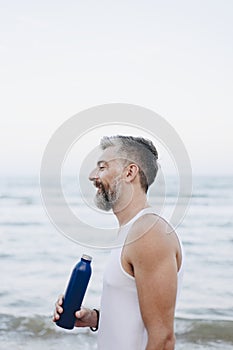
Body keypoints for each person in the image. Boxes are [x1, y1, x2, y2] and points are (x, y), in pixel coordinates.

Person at [53, 135, 184, 350]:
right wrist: (94, 318)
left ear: (130, 172)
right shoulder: (132, 231)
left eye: (102, 167)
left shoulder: (148, 234)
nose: (92, 176)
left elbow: (163, 339)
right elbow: (137, 315)